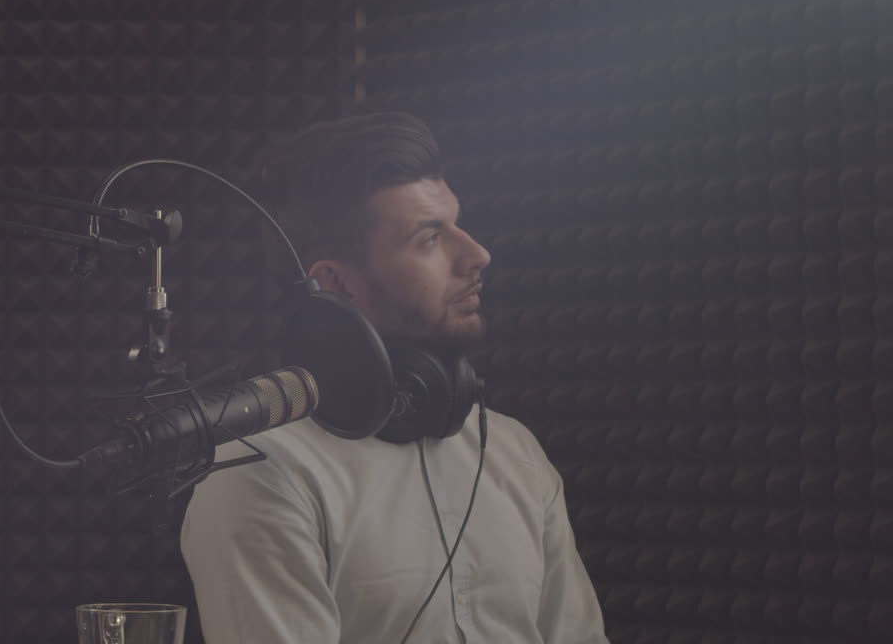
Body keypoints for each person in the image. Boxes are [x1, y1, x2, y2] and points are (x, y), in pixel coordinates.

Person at [180, 112, 609, 643]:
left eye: (457, 224)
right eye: (429, 239)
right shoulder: (261, 472)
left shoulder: (512, 451)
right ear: (337, 283)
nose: (477, 255)